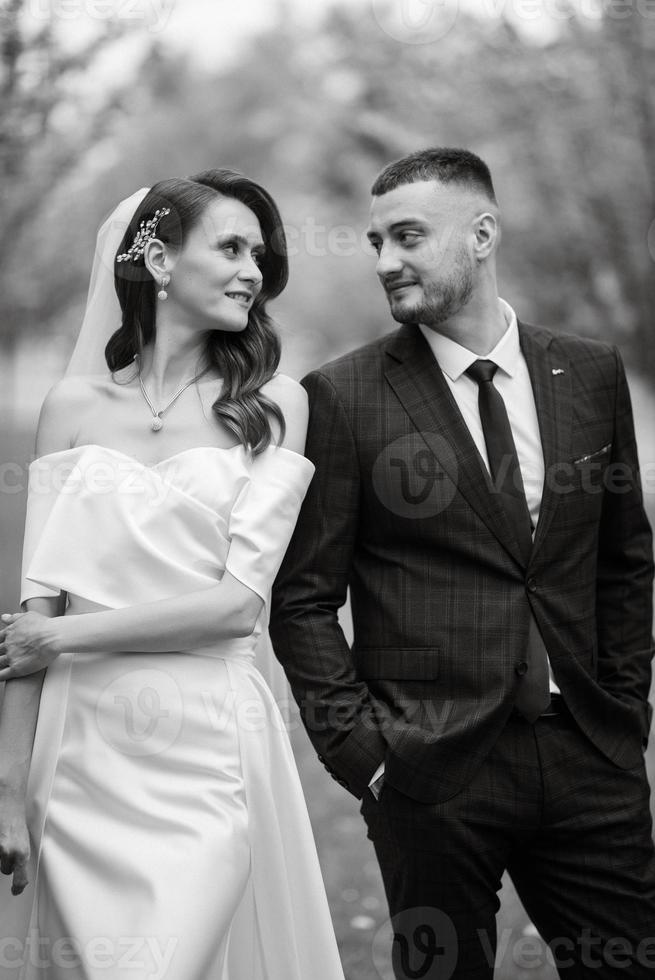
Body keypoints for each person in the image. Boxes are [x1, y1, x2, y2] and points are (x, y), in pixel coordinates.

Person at [269, 147, 655, 978]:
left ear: (481, 234)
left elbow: (624, 561)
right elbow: (302, 599)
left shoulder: (588, 372)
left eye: (406, 236)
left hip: (590, 755)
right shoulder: (343, 395)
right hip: (427, 772)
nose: (385, 262)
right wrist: (366, 759)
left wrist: (624, 714)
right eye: (375, 242)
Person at [0, 170, 346, 980]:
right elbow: (28, 615)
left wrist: (61, 635)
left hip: (204, 747)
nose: (252, 272)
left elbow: (234, 606)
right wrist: (8, 788)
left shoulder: (272, 404)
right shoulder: (72, 407)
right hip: (77, 752)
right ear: (156, 260)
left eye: (258, 255)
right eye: (229, 247)